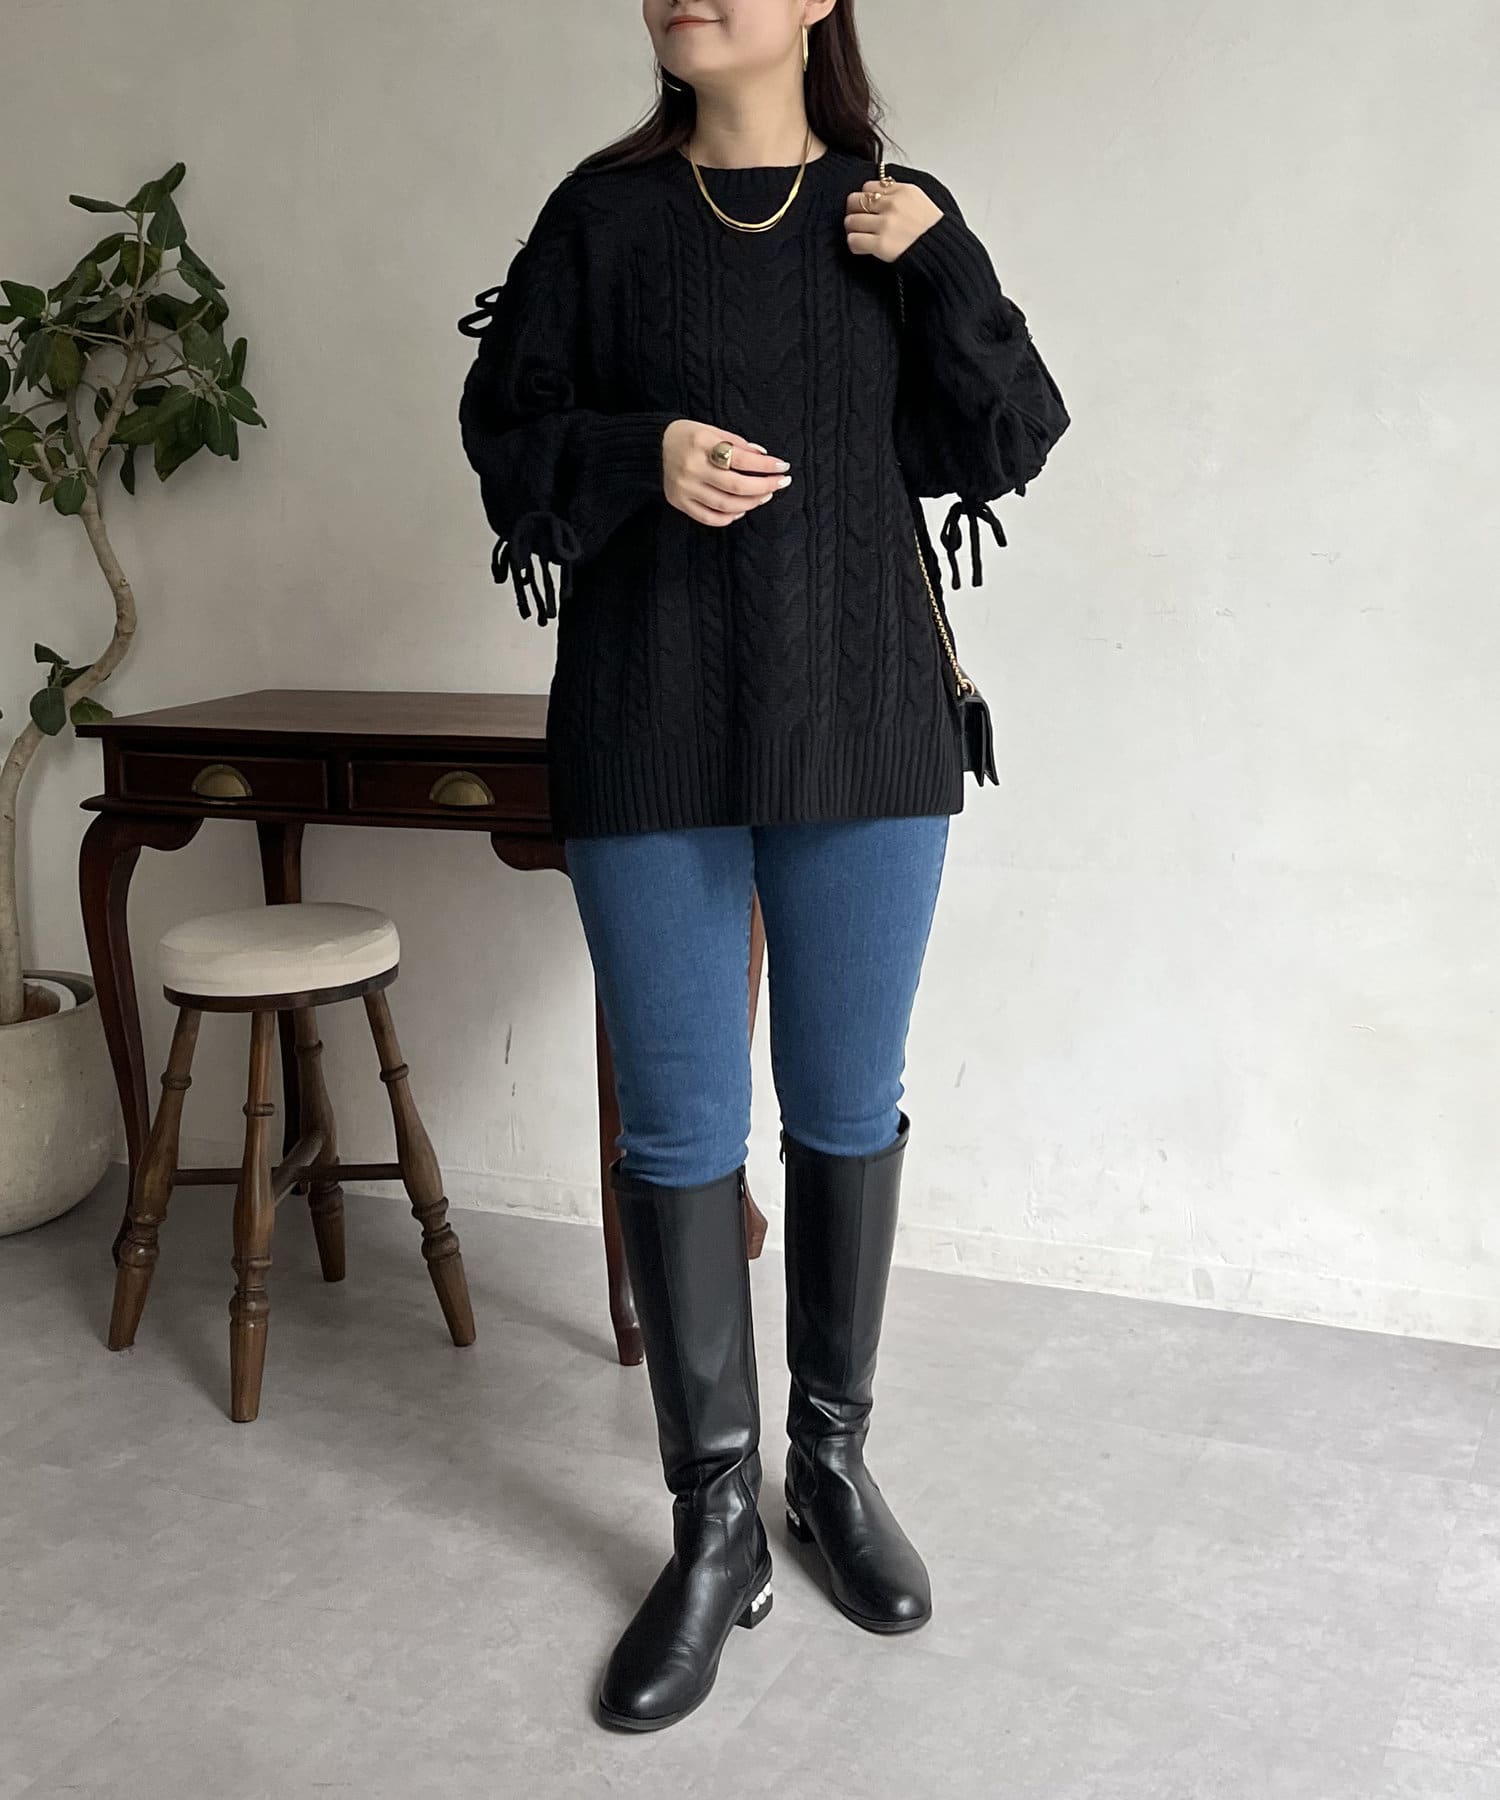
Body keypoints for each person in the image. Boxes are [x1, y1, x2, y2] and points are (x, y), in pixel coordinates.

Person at [456, 0, 1069, 1736]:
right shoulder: (601, 218)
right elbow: (505, 440)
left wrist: (940, 263)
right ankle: (712, 1521)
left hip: (865, 729)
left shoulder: (893, 213)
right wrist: (634, 455)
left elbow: (1009, 439)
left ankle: (831, 1466)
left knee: (847, 1107)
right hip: (649, 723)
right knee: (676, 1130)